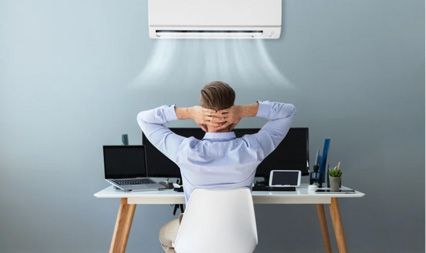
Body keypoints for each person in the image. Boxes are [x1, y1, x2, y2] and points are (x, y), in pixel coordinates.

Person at [137, 81, 296, 253]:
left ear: (201, 119)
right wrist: (244, 110)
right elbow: (288, 112)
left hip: (195, 243)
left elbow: (144, 119)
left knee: (165, 234)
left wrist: (189, 112)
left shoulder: (185, 152)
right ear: (235, 120)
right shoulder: (253, 149)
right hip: (239, 243)